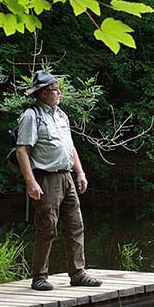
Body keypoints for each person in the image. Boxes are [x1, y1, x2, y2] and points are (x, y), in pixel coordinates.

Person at [15, 70, 102, 290]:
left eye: (57, 89)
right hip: (46, 178)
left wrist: (80, 172)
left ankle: (78, 273)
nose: (58, 93)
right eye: (54, 90)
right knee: (47, 227)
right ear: (43, 94)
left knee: (75, 225)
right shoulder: (31, 116)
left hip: (66, 176)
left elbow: (70, 146)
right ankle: (39, 277)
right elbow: (22, 151)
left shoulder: (61, 115)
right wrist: (31, 182)